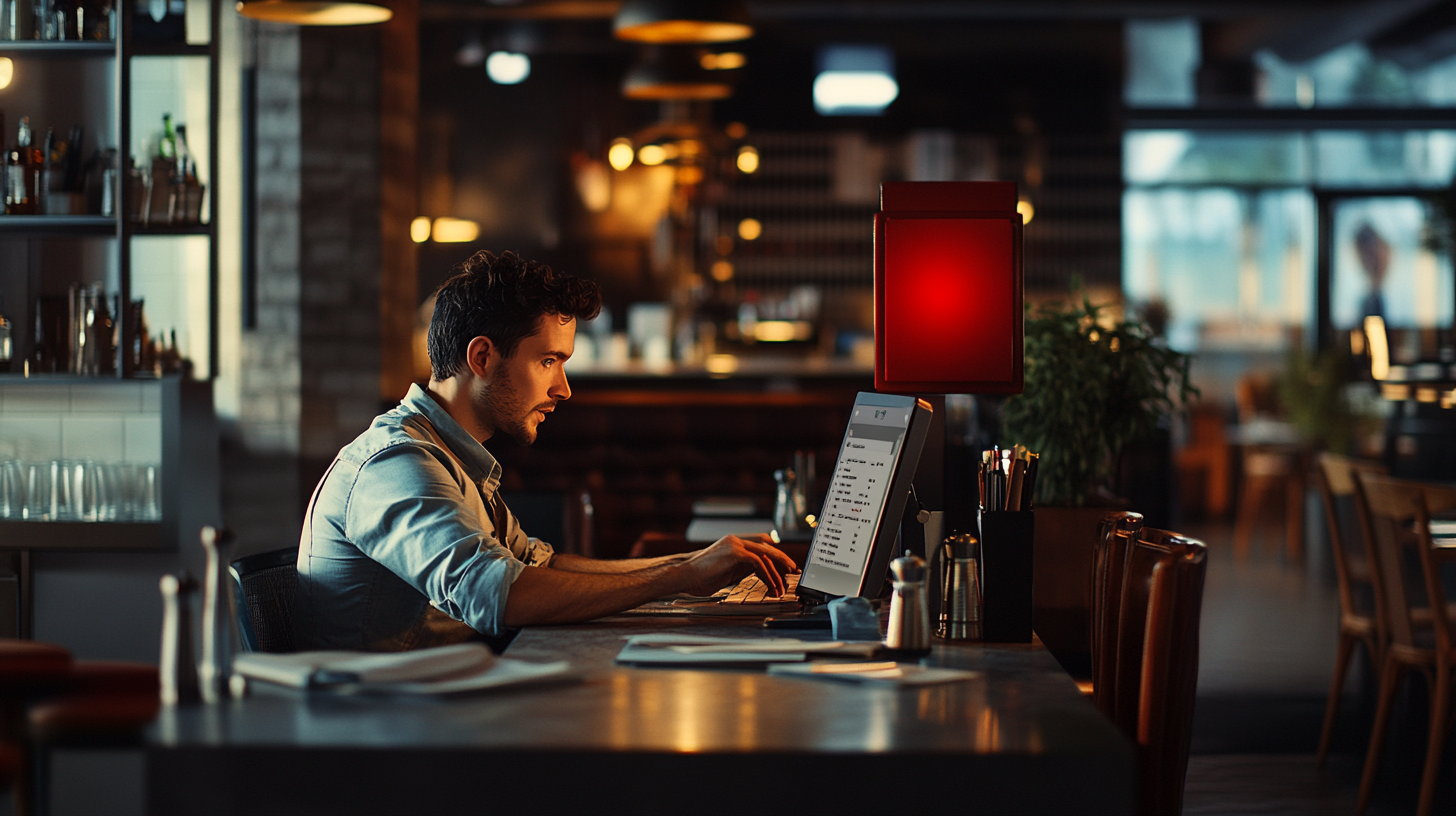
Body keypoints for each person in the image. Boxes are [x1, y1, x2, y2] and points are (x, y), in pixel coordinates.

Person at [295, 250, 796, 651]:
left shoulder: (453, 457)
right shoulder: (397, 464)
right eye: (549, 361)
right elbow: (501, 594)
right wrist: (683, 574)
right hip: (388, 743)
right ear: (482, 356)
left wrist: (696, 567)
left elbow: (542, 568)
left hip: (438, 714)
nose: (563, 388)